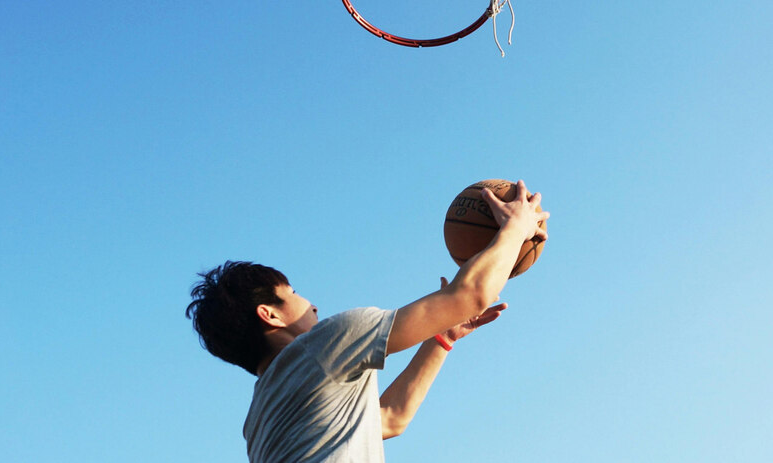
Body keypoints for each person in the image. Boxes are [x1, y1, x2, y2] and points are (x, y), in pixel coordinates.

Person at [186, 181, 549, 463]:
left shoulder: (259, 422)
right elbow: (471, 294)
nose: (313, 305)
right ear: (270, 314)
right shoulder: (324, 344)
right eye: (294, 292)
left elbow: (391, 417)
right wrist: (516, 227)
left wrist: (441, 339)